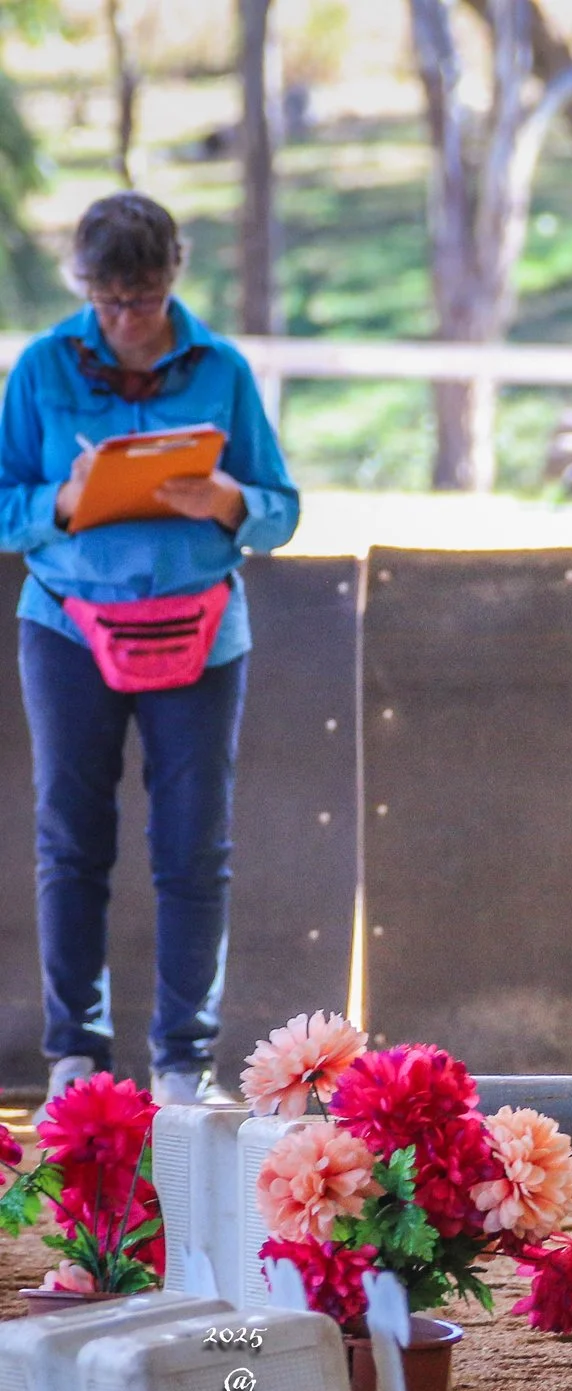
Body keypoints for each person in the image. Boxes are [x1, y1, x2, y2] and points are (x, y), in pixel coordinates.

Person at [0, 192, 299, 1104]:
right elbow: (5, 504)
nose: (129, 319)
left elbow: (282, 509)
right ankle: (76, 1057)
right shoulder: (42, 368)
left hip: (201, 635)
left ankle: (182, 1059)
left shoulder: (225, 370)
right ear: (83, 286)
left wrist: (231, 502)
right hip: (68, 627)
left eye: (146, 296)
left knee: (193, 847)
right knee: (72, 842)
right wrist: (62, 496)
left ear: (175, 273)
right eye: (110, 299)